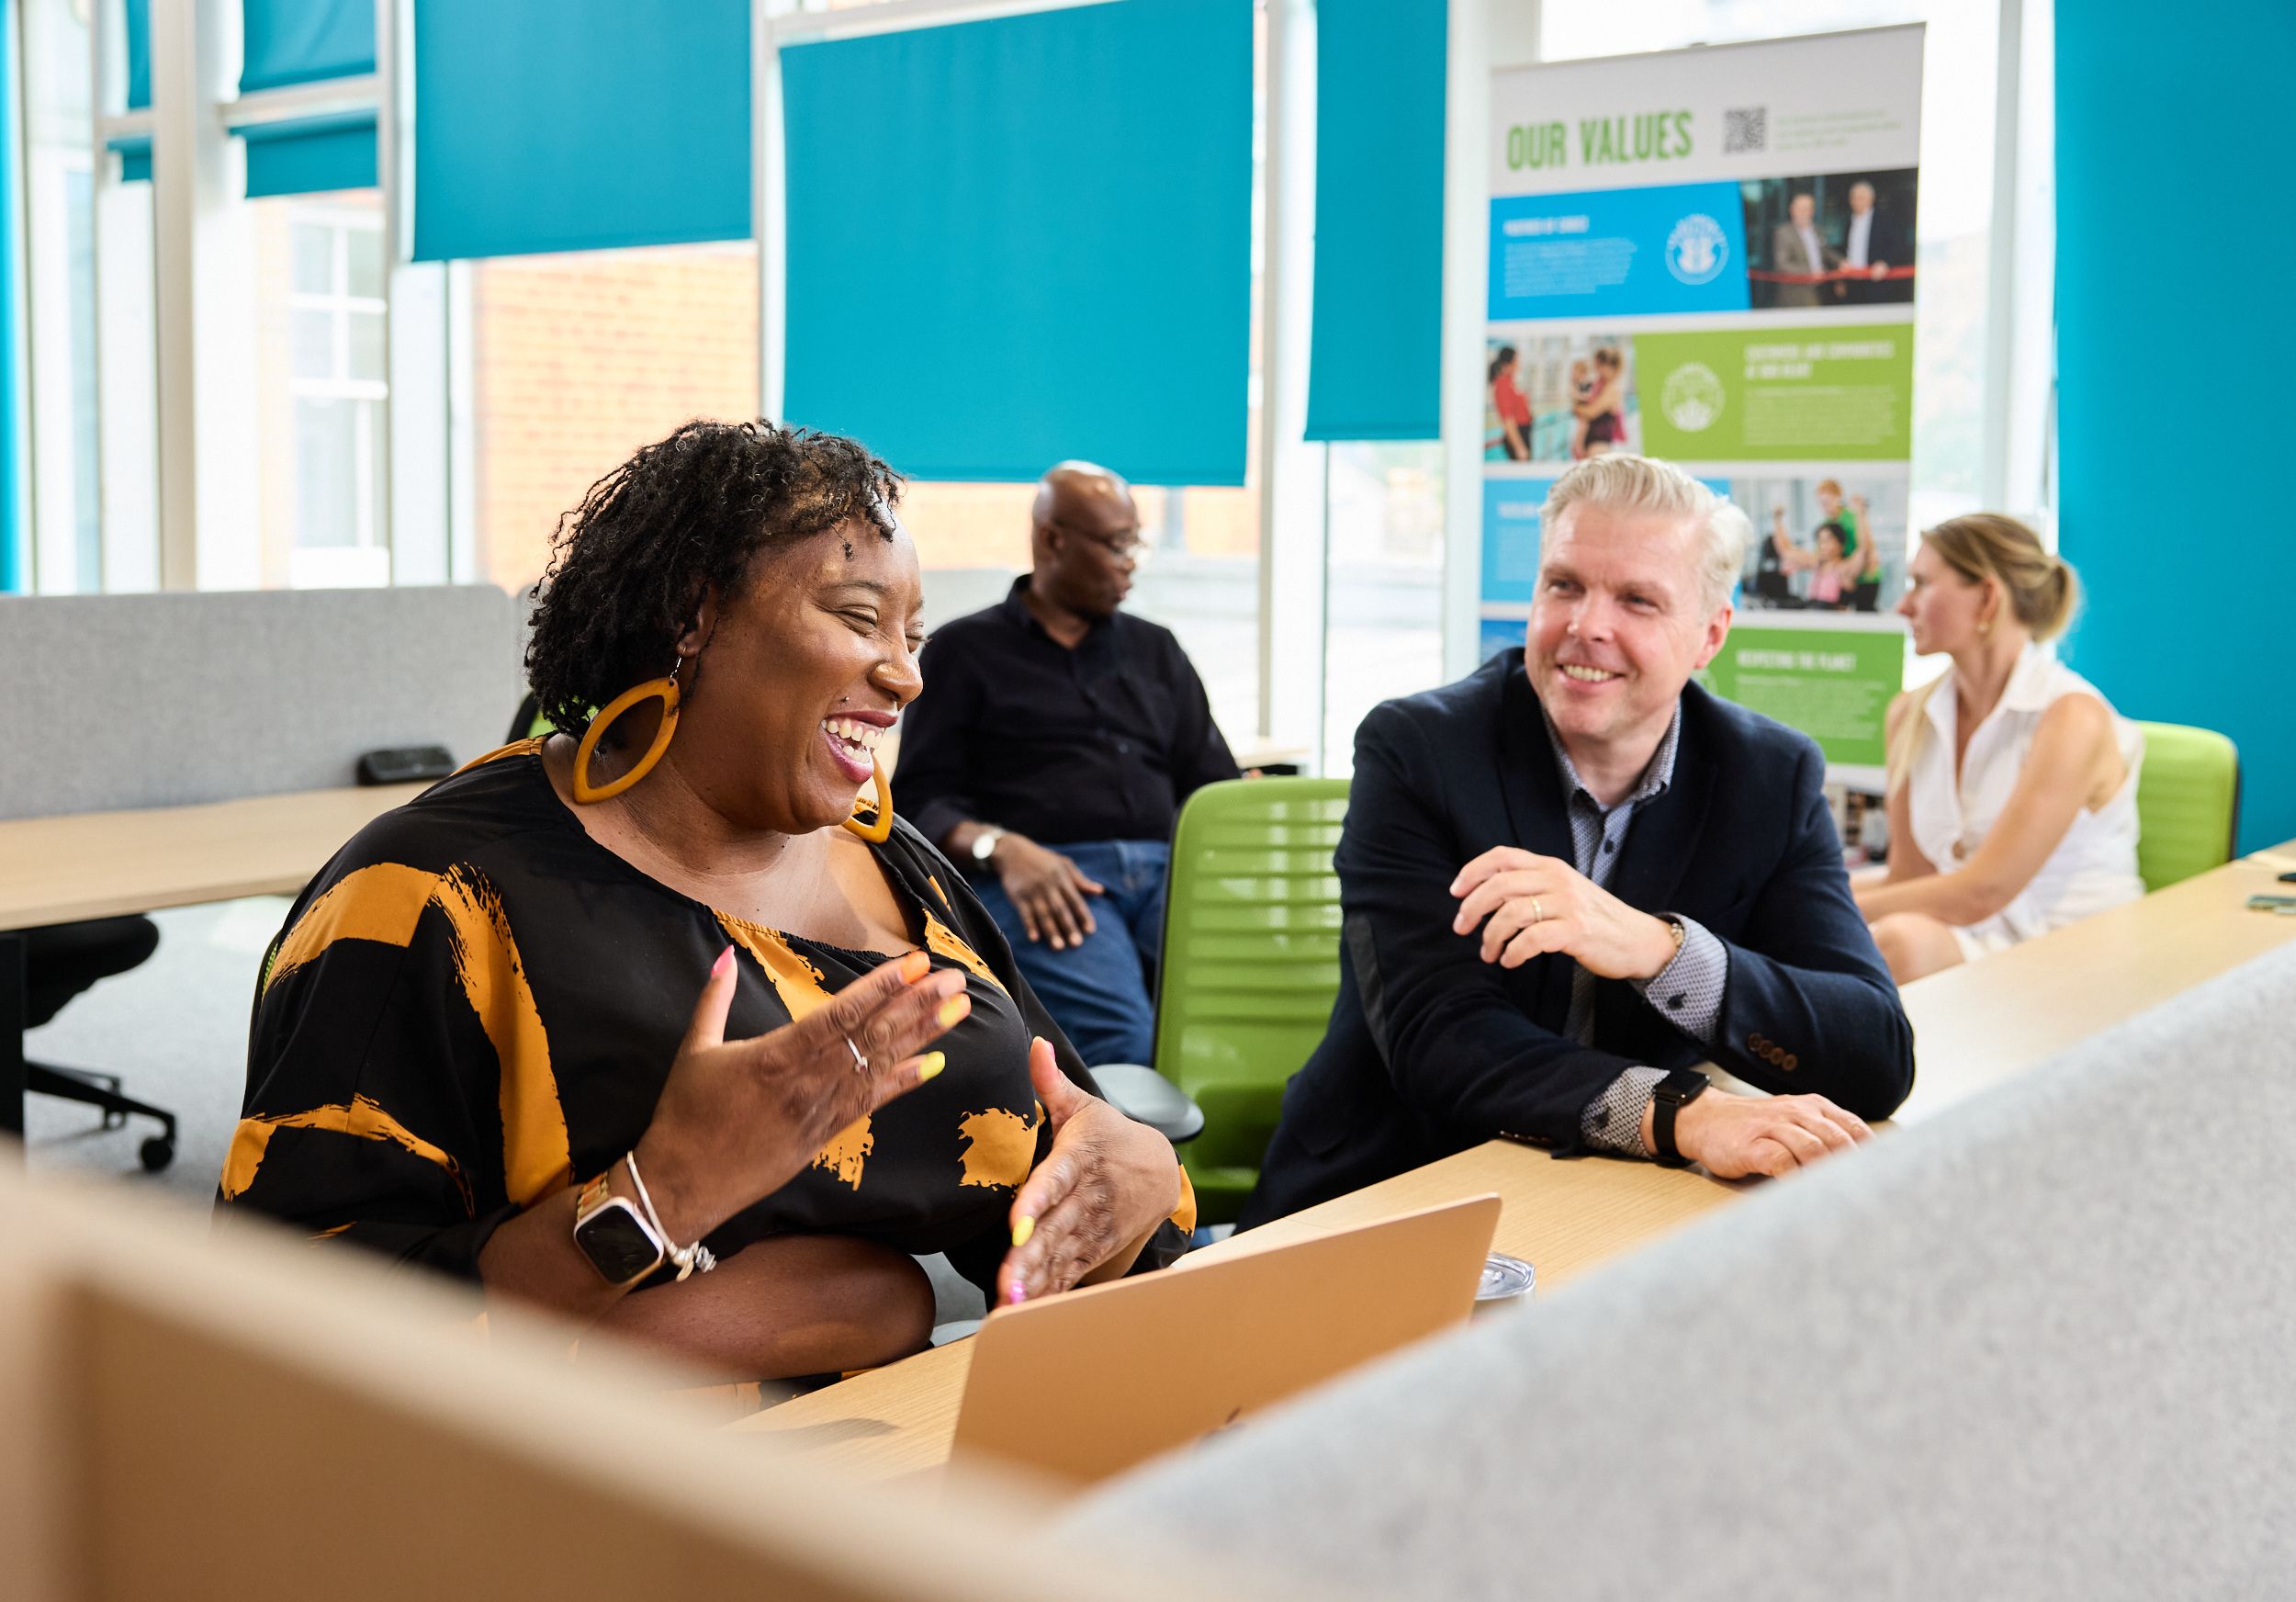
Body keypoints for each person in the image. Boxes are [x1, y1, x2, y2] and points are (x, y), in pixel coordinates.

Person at [221, 422, 1194, 1380]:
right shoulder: (431, 891)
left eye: (913, 634)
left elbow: (1064, 1205)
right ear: (695, 614)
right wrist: (661, 1196)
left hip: (904, 1453)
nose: (906, 675)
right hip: (577, 1498)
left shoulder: (898, 865)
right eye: (860, 618)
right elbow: (282, 1330)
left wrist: (1134, 1180)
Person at [1243, 456, 1913, 1225]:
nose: (1587, 625)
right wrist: (1683, 1115)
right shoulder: (1420, 749)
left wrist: (1660, 949)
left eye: (1637, 599)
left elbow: (1875, 1055)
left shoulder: (1769, 774)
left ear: (1709, 635)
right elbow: (1442, 1040)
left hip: (1619, 1203)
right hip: (1394, 1188)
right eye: (1564, 585)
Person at [896, 462, 1241, 1068]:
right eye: (1116, 543)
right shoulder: (963, 652)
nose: (1132, 559)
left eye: (1137, 541)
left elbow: (1213, 785)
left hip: (1171, 876)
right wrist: (1001, 847)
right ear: (1053, 540)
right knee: (1126, 1052)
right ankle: (1144, 1162)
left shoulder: (1156, 649)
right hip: (1053, 881)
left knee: (1248, 1030)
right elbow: (921, 802)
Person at [1856, 515, 2142, 983]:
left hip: (2070, 947)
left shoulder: (2072, 717)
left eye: (1921, 584)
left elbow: (1983, 893)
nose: (1903, 605)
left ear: (1987, 598)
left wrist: (1819, 910)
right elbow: (1908, 875)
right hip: (1970, 937)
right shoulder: (1908, 715)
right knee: (1854, 933)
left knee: (1894, 942)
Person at [1838, 180, 1910, 305]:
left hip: (1877, 283)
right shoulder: (1848, 222)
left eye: (1861, 198)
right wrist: (1841, 281)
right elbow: (1845, 251)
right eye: (1854, 198)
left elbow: (1899, 245)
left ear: (1871, 199)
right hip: (1852, 284)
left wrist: (1885, 263)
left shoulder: (1885, 220)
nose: (1857, 201)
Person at [1768, 192, 1841, 310]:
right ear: (1792, 210)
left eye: (1807, 208)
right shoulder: (1783, 232)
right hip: (1795, 296)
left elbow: (1826, 251)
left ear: (1812, 211)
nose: (1803, 212)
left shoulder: (1818, 230)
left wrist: (1841, 261)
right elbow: (1782, 264)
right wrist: (1811, 272)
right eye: (1800, 208)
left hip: (1820, 291)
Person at [1575, 346, 1626, 457]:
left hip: (1601, 444)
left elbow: (1591, 412)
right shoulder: (1600, 387)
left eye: (1599, 366)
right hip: (1593, 442)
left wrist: (1576, 408)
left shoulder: (1613, 389)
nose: (1597, 371)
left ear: (1608, 366)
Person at [1490, 346, 1532, 460]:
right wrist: (1519, 447)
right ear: (1509, 363)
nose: (1519, 364)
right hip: (1517, 435)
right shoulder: (1502, 384)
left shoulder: (1511, 382)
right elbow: (1508, 419)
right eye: (1517, 361)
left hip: (1524, 432)